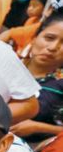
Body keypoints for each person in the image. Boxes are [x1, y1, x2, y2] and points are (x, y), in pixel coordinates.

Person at [10, 13, 63, 143]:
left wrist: (37, 127)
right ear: (34, 38)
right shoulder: (7, 65)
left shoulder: (59, 85)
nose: (52, 48)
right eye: (49, 38)